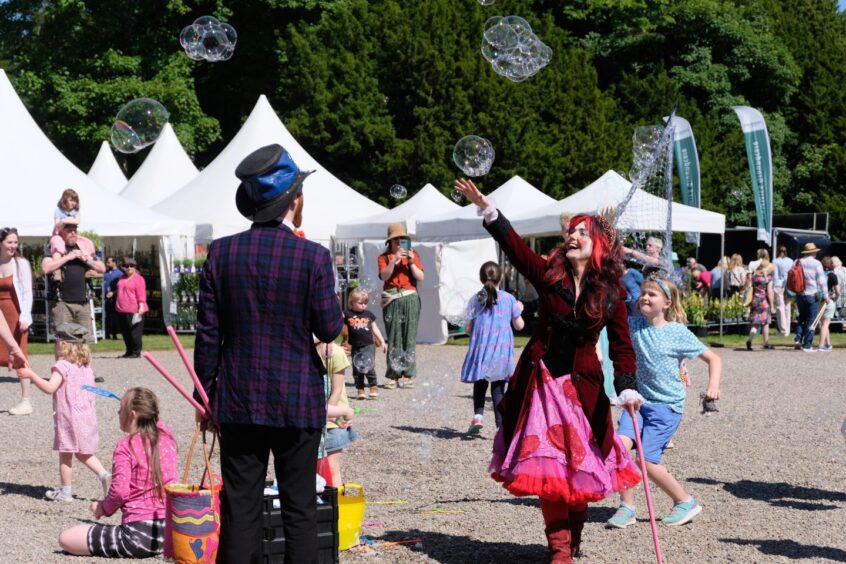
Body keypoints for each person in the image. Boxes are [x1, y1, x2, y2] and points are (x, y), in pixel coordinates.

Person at [454, 178, 642, 563]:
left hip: (584, 390)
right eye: (569, 231)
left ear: (598, 245)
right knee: (548, 471)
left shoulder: (610, 292)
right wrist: (488, 211)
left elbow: (623, 345)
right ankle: (559, 551)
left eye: (580, 232)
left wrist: (627, 387)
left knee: (580, 472)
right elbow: (517, 249)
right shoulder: (548, 274)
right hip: (542, 386)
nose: (571, 236)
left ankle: (571, 542)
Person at [194, 144, 343, 563]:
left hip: (238, 398)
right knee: (299, 510)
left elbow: (208, 335)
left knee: (240, 508)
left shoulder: (221, 254)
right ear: (294, 200)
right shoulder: (312, 256)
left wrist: (202, 395)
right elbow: (329, 328)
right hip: (296, 398)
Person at [606, 274, 722, 529]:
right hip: (636, 402)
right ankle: (627, 507)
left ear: (667, 303)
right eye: (643, 292)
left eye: (652, 294)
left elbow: (713, 359)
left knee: (645, 460)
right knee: (619, 449)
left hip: (666, 406)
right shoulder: (632, 325)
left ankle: (685, 501)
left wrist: (712, 386)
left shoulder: (677, 333)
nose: (645, 297)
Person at [56, 387, 178, 558]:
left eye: (121, 409)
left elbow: (120, 492)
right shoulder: (167, 438)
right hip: (171, 533)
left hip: (138, 537)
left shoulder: (125, 447)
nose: (118, 412)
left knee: (66, 538)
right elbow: (156, 421)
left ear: (133, 414)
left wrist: (103, 508)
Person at [16, 323, 110, 502]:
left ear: (63, 344)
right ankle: (104, 474)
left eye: (57, 340)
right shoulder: (86, 366)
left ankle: (66, 492)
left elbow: (50, 387)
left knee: (65, 453)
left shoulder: (62, 366)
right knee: (83, 452)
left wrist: (31, 375)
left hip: (69, 418)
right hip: (86, 415)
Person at [460, 261, 524, 434]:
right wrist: (519, 309)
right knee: (498, 390)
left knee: (480, 383)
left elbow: (468, 328)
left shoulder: (475, 299)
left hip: (481, 350)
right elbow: (519, 326)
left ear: (481, 279)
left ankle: (478, 416)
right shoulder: (509, 299)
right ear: (501, 277)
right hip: (501, 352)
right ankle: (500, 426)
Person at [41, 217, 105, 337]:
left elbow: (102, 268)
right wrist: (67, 257)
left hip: (83, 303)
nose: (73, 233)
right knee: (63, 342)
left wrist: (85, 259)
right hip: (62, 303)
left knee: (84, 341)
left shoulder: (83, 248)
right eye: (69, 230)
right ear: (62, 232)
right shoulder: (54, 249)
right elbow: (45, 268)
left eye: (75, 230)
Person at [378, 223, 424, 389]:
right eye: (395, 239)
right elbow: (384, 276)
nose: (399, 242)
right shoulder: (383, 258)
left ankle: (407, 373)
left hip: (410, 297)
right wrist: (394, 260)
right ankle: (393, 374)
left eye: (402, 239)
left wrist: (411, 262)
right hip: (391, 298)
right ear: (389, 242)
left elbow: (420, 277)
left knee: (409, 337)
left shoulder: (413, 254)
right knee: (394, 337)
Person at [0, 227, 34, 415]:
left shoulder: (21, 263)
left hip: (16, 313)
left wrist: (25, 316)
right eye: (9, 242)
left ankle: (26, 400)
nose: (13, 246)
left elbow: (27, 293)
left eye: (15, 242)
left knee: (21, 356)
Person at [317, 342, 358, 486]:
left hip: (332, 422)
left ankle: (336, 506)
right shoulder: (302, 350)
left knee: (332, 468)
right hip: (317, 419)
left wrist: (330, 415)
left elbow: (337, 390)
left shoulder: (335, 353)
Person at [342, 288, 387, 400]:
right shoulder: (347, 314)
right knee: (357, 368)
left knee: (369, 366)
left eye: (365, 303)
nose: (363, 305)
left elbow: (375, 328)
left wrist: (382, 341)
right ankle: (360, 389)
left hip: (368, 345)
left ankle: (373, 386)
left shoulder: (368, 314)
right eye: (360, 303)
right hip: (355, 346)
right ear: (352, 302)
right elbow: (337, 324)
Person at [793, 243, 828, 352]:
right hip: (812, 294)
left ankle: (798, 339)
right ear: (812, 252)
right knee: (811, 320)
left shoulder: (797, 261)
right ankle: (807, 345)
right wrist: (826, 295)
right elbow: (821, 281)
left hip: (800, 294)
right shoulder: (817, 263)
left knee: (801, 318)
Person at [115, 257, 147, 358]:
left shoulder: (139, 279)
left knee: (135, 332)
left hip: (135, 309)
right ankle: (129, 351)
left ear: (135, 267)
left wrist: (141, 306)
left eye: (131, 266)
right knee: (125, 332)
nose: (129, 268)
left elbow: (141, 294)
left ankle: (136, 352)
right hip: (121, 309)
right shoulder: (122, 278)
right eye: (126, 266)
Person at [746, 252, 775, 350]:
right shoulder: (768, 278)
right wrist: (772, 305)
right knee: (765, 322)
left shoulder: (755, 277)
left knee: (755, 323)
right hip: (764, 301)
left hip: (755, 300)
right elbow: (769, 292)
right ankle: (766, 343)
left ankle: (750, 339)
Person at [49, 189, 81, 255]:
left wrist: (64, 220)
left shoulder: (75, 211)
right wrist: (70, 219)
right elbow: (57, 226)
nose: (73, 203)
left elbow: (77, 221)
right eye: (71, 200)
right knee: (57, 243)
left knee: (84, 241)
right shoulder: (58, 211)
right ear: (65, 200)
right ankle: (59, 256)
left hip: (70, 235)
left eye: (75, 201)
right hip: (59, 235)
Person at [818, 257, 840, 352]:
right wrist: (836, 298)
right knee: (826, 324)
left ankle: (828, 344)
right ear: (831, 264)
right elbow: (838, 291)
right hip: (829, 299)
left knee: (823, 323)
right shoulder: (832, 275)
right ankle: (821, 345)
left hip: (819, 300)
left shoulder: (819, 274)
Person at [772, 246, 794, 336]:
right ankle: (787, 330)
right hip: (788, 284)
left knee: (780, 307)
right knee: (787, 307)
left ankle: (783, 330)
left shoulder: (775, 261)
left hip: (779, 284)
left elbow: (775, 275)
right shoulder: (790, 260)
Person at [103, 256, 123, 340]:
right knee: (106, 316)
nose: (107, 263)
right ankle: (107, 334)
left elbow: (121, 287)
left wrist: (113, 293)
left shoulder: (119, 274)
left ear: (114, 262)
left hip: (114, 298)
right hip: (105, 298)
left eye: (109, 262)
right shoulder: (106, 273)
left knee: (114, 316)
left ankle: (114, 334)